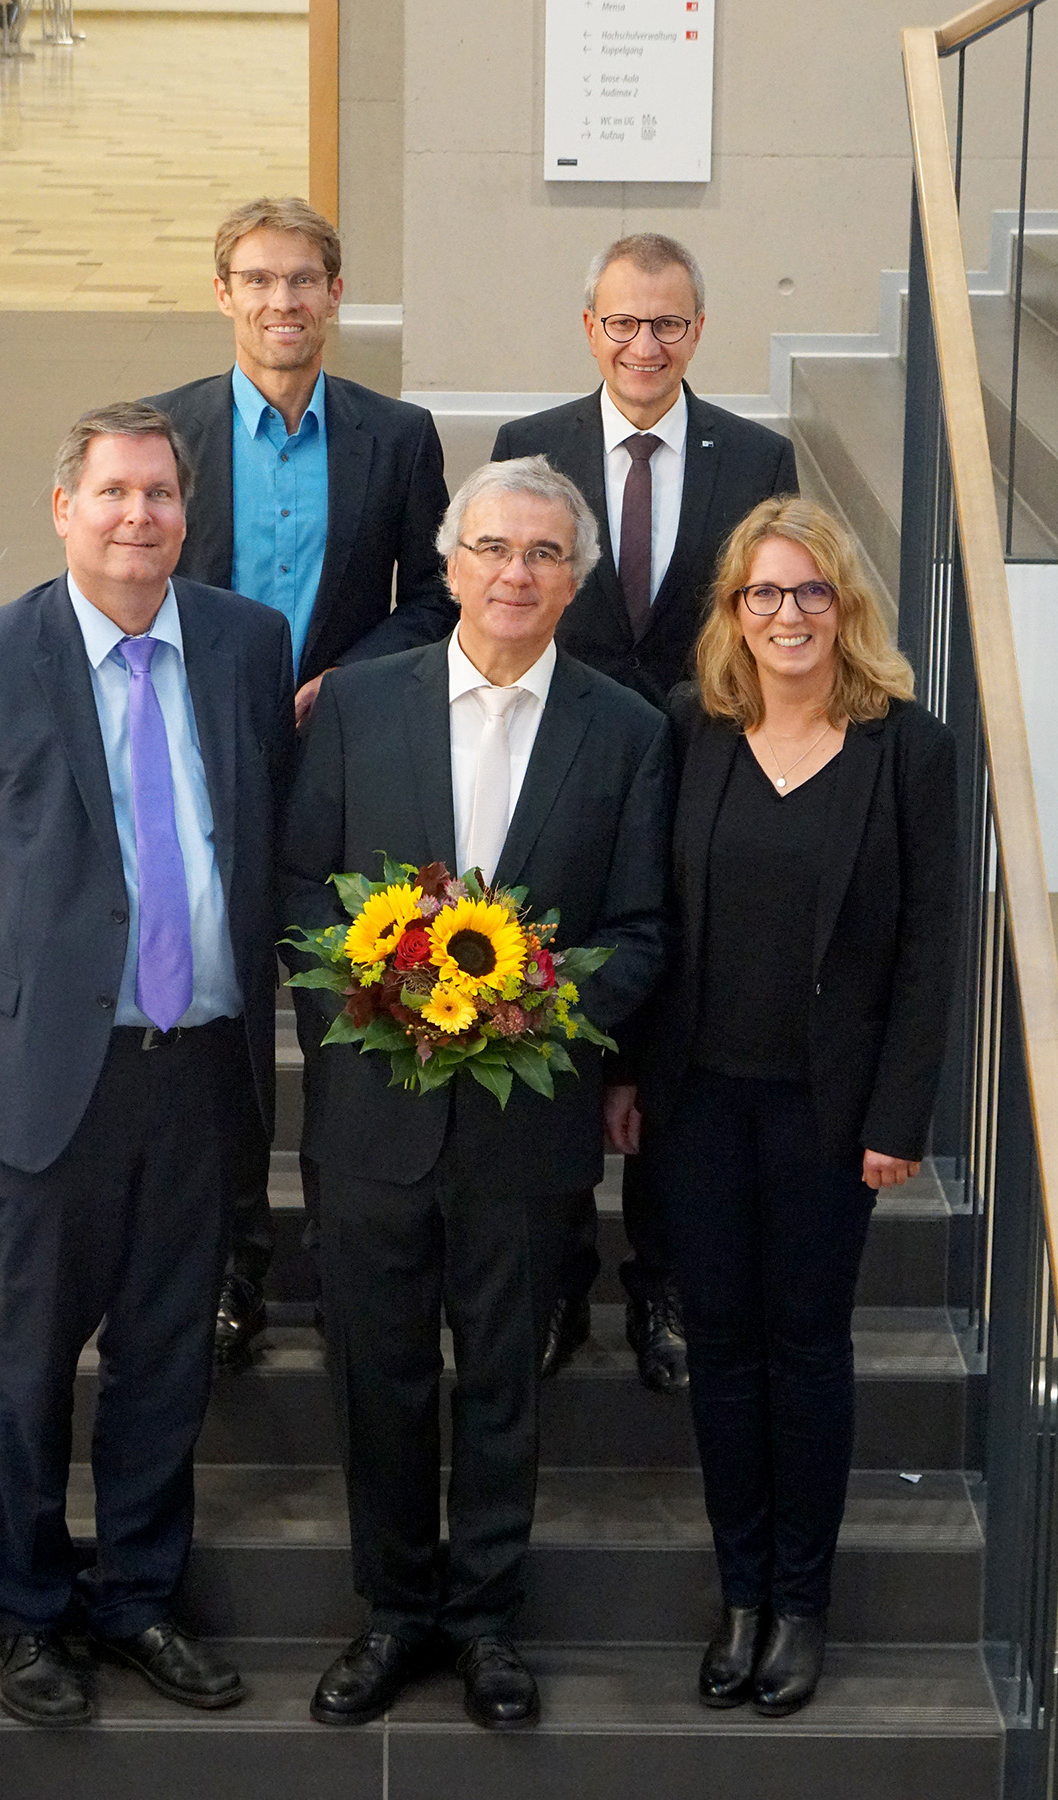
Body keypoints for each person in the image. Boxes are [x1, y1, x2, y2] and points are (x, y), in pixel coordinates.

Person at [0, 402, 295, 1728]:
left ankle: (138, 1599)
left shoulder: (244, 643)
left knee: (169, 1355)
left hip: (203, 1067)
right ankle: (28, 1614)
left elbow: (262, 825)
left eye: (161, 494)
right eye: (113, 492)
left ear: (187, 512)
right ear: (66, 508)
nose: (138, 516)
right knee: (33, 1361)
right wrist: (12, 990)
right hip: (53, 1073)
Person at [281, 456, 672, 1729]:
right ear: (448, 563)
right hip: (373, 1124)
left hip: (527, 1124)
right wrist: (376, 1013)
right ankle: (396, 1611)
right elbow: (296, 895)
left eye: (546, 556)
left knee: (505, 1377)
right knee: (379, 1375)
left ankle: (488, 1622)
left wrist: (534, 1016)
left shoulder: (627, 730)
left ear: (576, 582)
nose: (517, 573)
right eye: (494, 548)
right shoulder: (355, 707)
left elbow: (641, 932)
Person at [605, 496, 959, 1717]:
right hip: (700, 1100)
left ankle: (801, 1605)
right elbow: (652, 917)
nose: (788, 614)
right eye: (763, 594)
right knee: (722, 1350)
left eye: (811, 591)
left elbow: (929, 953)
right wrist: (628, 1075)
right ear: (733, 614)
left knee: (805, 1350)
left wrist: (899, 1120)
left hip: (830, 1115)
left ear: (847, 604)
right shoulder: (691, 726)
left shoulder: (907, 746)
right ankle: (740, 1594)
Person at [148, 196, 454, 1365]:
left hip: (344, 772)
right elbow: (135, 583)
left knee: (346, 1025)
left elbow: (433, 598)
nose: (283, 302)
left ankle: (349, 1266)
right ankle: (231, 1267)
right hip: (199, 772)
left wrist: (344, 681)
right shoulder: (165, 434)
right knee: (220, 1043)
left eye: (304, 281)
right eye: (259, 281)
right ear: (222, 292)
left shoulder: (399, 432)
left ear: (336, 294)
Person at [492, 232, 800, 1385]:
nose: (643, 343)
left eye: (667, 323)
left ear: (698, 332)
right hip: (560, 771)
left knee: (674, 1032)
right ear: (590, 328)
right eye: (622, 321)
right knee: (555, 1017)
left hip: (698, 775)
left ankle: (663, 1286)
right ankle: (560, 1278)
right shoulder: (534, 447)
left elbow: (763, 614)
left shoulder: (757, 453)